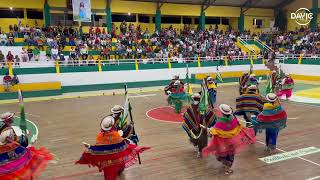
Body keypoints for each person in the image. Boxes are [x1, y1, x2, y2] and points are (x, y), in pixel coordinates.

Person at [76, 116, 150, 180]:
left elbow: (98, 149)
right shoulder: (115, 135)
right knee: (120, 167)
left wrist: (89, 147)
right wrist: (130, 127)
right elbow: (122, 143)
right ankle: (119, 171)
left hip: (107, 163)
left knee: (109, 177)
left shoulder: (100, 136)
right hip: (118, 160)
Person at [201, 104, 256, 175]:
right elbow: (238, 127)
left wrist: (208, 129)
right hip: (233, 141)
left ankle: (225, 166)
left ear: (222, 112)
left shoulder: (220, 121)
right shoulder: (233, 119)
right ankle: (228, 168)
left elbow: (214, 131)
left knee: (223, 153)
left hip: (222, 142)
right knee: (230, 155)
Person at [0, 112, 52, 179]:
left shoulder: (5, 128)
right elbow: (13, 142)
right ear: (8, 120)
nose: (13, 118)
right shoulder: (7, 132)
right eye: (11, 117)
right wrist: (24, 139)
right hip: (11, 154)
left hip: (8, 153)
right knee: (20, 167)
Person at [182, 93, 216, 158]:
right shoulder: (204, 108)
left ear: (193, 99)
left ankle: (198, 148)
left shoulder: (190, 108)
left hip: (194, 127)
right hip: (202, 127)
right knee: (203, 139)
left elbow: (186, 116)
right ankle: (200, 151)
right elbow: (211, 115)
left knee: (195, 137)